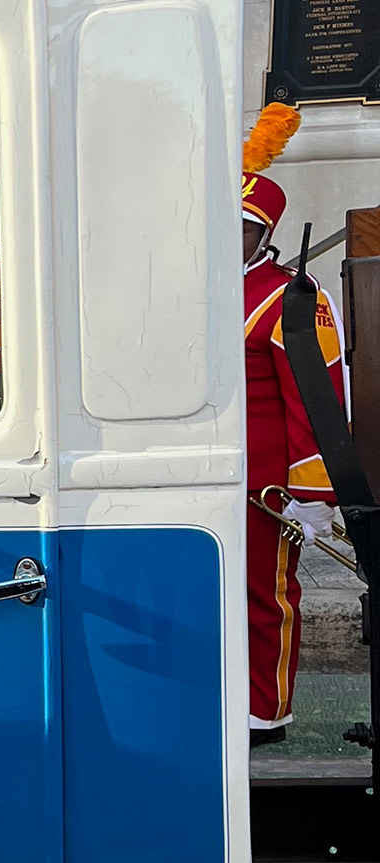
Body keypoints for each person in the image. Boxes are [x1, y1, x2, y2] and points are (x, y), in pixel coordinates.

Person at [238, 104, 350, 745]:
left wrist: (312, 492)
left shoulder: (290, 296)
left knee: (266, 599)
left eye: (243, 226)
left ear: (263, 233)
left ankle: (267, 712)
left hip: (269, 487)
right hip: (207, 475)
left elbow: (319, 397)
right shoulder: (199, 291)